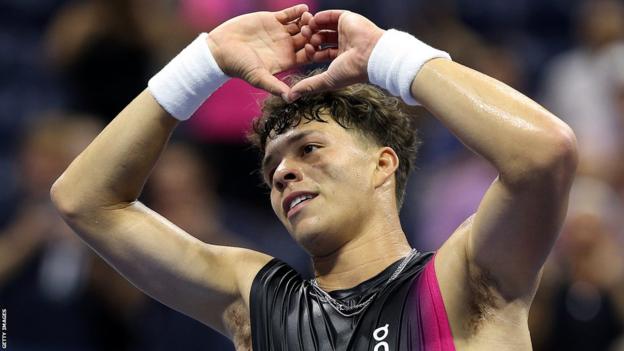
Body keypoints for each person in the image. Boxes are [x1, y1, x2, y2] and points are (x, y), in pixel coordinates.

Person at [50, 4, 578, 350]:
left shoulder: (465, 279)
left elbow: (543, 153)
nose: (283, 173)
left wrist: (388, 56)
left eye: (309, 148)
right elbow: (83, 199)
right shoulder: (256, 304)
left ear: (383, 164)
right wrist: (205, 61)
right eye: (273, 166)